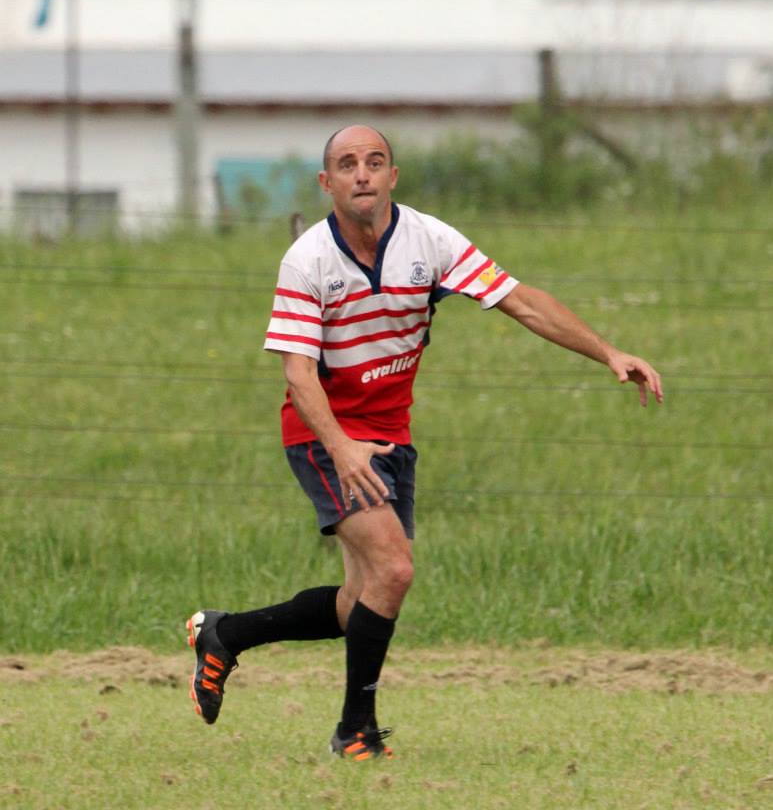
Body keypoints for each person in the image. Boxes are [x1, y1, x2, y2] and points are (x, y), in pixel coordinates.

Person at [186, 124, 663, 760]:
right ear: (327, 183)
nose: (363, 173)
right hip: (322, 434)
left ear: (392, 176)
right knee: (395, 569)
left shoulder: (428, 240)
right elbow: (298, 374)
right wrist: (341, 447)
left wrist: (608, 352)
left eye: (375, 162)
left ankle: (226, 633)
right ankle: (355, 729)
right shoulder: (308, 259)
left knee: (363, 598)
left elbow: (520, 301)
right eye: (348, 164)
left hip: (390, 438)